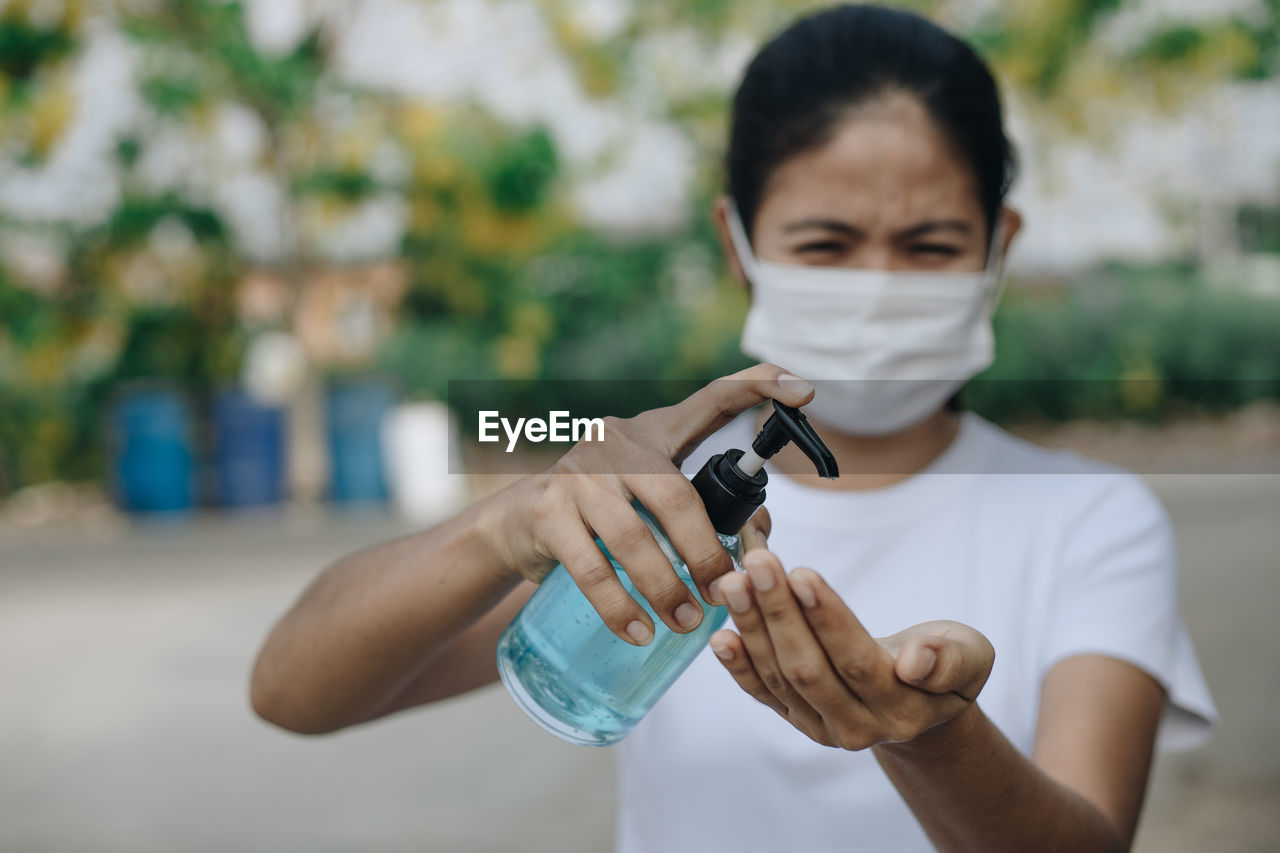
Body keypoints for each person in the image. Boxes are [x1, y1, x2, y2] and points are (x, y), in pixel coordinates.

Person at [250, 5, 1216, 850]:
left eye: (928, 244)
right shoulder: (645, 511)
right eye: (825, 244)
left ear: (997, 249)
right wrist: (502, 525)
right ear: (740, 244)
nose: (876, 286)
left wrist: (929, 736)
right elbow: (293, 690)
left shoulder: (1088, 519)